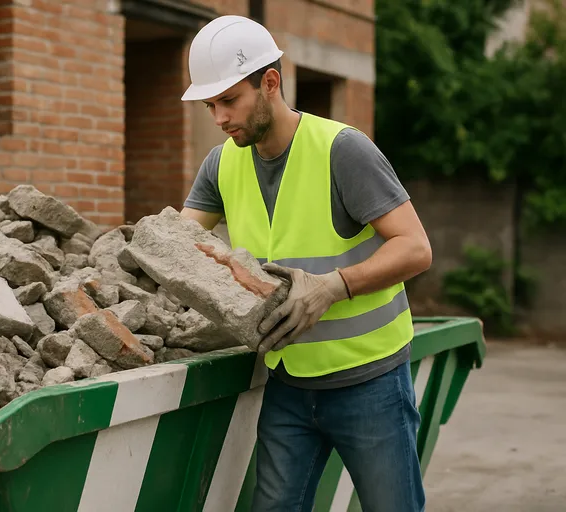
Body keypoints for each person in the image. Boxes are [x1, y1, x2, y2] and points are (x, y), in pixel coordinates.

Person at [178, 15, 433, 512]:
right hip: (288, 384)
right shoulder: (222, 163)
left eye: (229, 100)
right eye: (210, 105)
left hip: (370, 382)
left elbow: (416, 248)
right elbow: (179, 244)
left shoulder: (342, 150)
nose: (219, 117)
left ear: (270, 83)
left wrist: (333, 286)